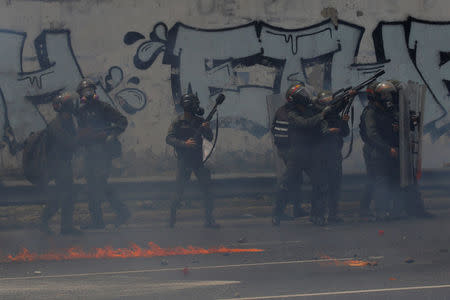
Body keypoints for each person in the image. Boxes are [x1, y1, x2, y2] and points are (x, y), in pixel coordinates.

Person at [360, 80, 431, 220]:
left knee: (394, 179)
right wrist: (388, 149)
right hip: (378, 152)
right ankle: (381, 212)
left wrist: (408, 123)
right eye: (384, 94)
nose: (388, 98)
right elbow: (372, 135)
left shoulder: (389, 109)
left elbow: (399, 122)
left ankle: (398, 210)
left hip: (392, 150)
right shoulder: (371, 112)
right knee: (379, 181)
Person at [272, 84, 329, 226]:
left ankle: (317, 215)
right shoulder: (290, 113)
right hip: (296, 154)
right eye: (302, 94)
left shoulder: (301, 109)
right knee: (287, 184)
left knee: (320, 183)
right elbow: (306, 123)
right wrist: (322, 115)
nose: (305, 96)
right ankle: (277, 214)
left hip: (307, 152)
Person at [76, 78, 130, 229]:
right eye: (84, 92)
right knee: (93, 187)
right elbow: (81, 133)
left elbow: (122, 121)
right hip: (89, 154)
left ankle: (120, 213)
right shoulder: (81, 112)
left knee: (99, 185)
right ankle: (100, 220)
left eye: (90, 91)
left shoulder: (104, 108)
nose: (87, 94)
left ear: (94, 92)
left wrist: (110, 136)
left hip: (103, 154)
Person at [166, 93, 219, 228]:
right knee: (179, 191)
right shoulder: (178, 121)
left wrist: (206, 129)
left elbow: (210, 137)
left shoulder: (200, 121)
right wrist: (184, 143)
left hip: (198, 160)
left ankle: (209, 219)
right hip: (184, 160)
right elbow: (169, 138)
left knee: (207, 188)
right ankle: (171, 218)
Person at [40, 91, 82, 235]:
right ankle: (46, 222)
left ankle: (66, 226)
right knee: (61, 196)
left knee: (67, 195)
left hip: (64, 163)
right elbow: (68, 144)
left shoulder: (67, 121)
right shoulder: (57, 125)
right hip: (57, 165)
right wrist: (81, 136)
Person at [315, 91, 350, 223]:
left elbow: (344, 133)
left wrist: (344, 122)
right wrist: (329, 131)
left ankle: (333, 214)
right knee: (322, 186)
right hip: (322, 155)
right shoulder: (318, 116)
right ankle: (319, 215)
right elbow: (317, 133)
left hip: (335, 155)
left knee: (335, 186)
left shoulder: (335, 116)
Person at [271, 98, 308, 220]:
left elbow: (273, 129)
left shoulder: (281, 111)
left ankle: (296, 209)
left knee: (296, 179)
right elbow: (303, 126)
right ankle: (278, 212)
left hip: (286, 150)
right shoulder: (291, 114)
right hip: (291, 151)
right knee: (288, 181)